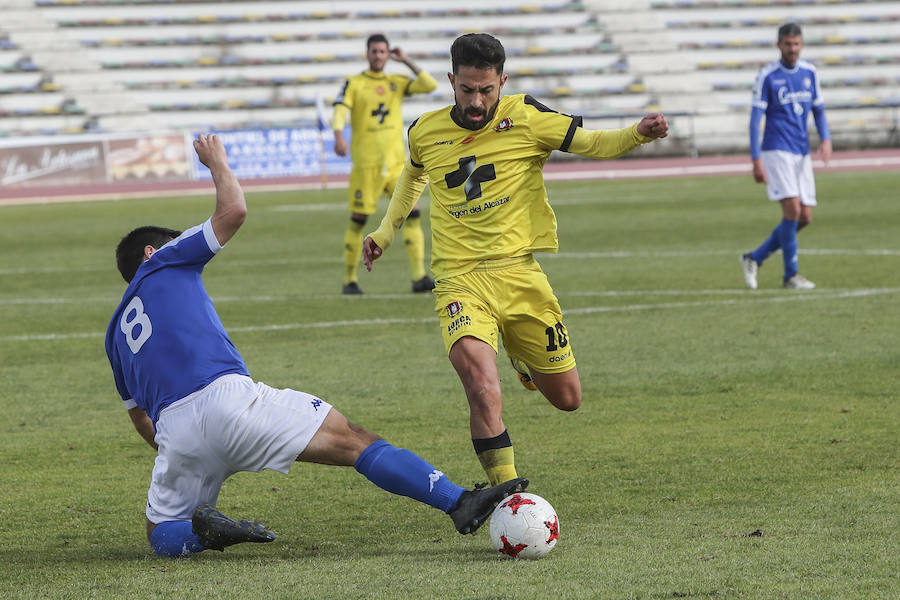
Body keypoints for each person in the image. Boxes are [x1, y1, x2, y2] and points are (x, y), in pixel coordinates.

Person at [105, 133, 527, 558]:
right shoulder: (162, 260)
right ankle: (458, 502)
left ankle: (201, 536)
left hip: (174, 430)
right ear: (148, 253)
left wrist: (185, 453)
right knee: (354, 440)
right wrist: (216, 162)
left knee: (160, 529)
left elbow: (142, 421)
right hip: (226, 400)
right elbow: (233, 211)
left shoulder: (113, 334)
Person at [362, 33, 669, 486]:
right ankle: (508, 496)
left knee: (568, 399)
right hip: (459, 281)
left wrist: (637, 135)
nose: (476, 100)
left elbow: (591, 142)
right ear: (451, 80)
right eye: (467, 89)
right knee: (483, 391)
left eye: (487, 90)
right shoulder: (424, 131)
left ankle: (521, 358)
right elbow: (413, 174)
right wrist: (384, 232)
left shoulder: (527, 117)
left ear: (502, 81)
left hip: (520, 275)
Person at [333, 33, 438, 295]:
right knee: (358, 221)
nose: (378, 55)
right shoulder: (354, 83)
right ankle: (349, 281)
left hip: (395, 165)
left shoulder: (396, 82)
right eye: (374, 51)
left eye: (382, 52)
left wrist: (406, 61)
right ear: (367, 53)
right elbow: (340, 110)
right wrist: (338, 134)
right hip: (366, 166)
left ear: (388, 54)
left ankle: (419, 277)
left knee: (412, 215)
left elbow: (429, 85)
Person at [741, 22, 832, 290]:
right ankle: (790, 275)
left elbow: (819, 109)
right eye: (788, 44)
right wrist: (756, 159)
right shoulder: (768, 75)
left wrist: (825, 138)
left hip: (801, 151)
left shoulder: (809, 73)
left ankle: (755, 258)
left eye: (796, 44)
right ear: (779, 45)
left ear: (801, 45)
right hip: (776, 149)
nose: (792, 49)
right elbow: (755, 118)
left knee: (804, 217)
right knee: (792, 210)